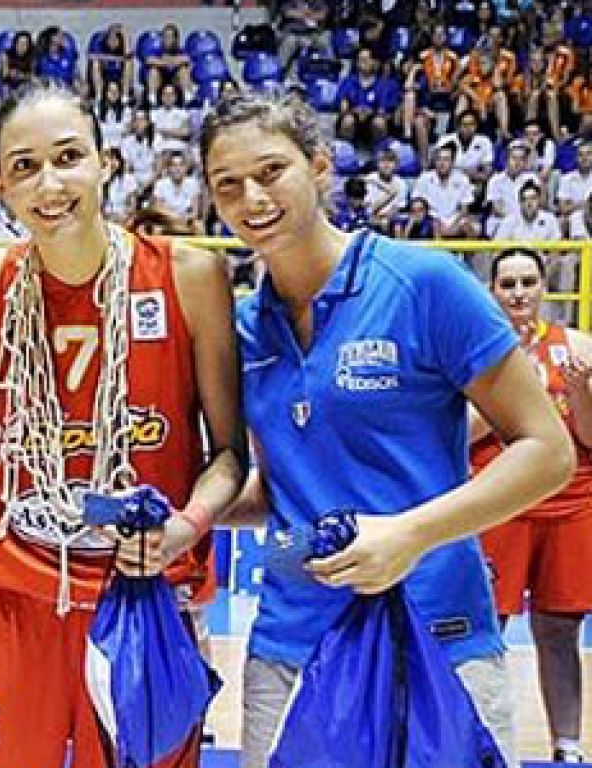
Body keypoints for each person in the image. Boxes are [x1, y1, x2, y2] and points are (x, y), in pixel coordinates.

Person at [200, 92, 573, 768]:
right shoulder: (243, 330)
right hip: (292, 647)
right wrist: (184, 513)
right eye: (228, 185)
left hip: (440, 632)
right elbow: (278, 491)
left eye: (270, 172)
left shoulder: (423, 283)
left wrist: (410, 534)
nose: (251, 197)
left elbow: (548, 451)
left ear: (318, 167)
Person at [0, 79, 246, 768]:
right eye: (24, 166)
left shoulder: (191, 277)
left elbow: (228, 455)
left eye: (68, 157)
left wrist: (185, 529)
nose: (49, 183)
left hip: (142, 592)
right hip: (8, 593)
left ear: (107, 162)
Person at [471, 249, 592, 764]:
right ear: (492, 291)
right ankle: (484, 741)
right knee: (486, 627)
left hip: (569, 505)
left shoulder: (579, 347)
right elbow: (457, 438)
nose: (519, 292)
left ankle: (567, 744)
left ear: (544, 288)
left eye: (528, 281)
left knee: (560, 628)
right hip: (497, 502)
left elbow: (589, 436)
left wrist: (582, 390)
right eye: (507, 283)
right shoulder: (473, 351)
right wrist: (513, 387)